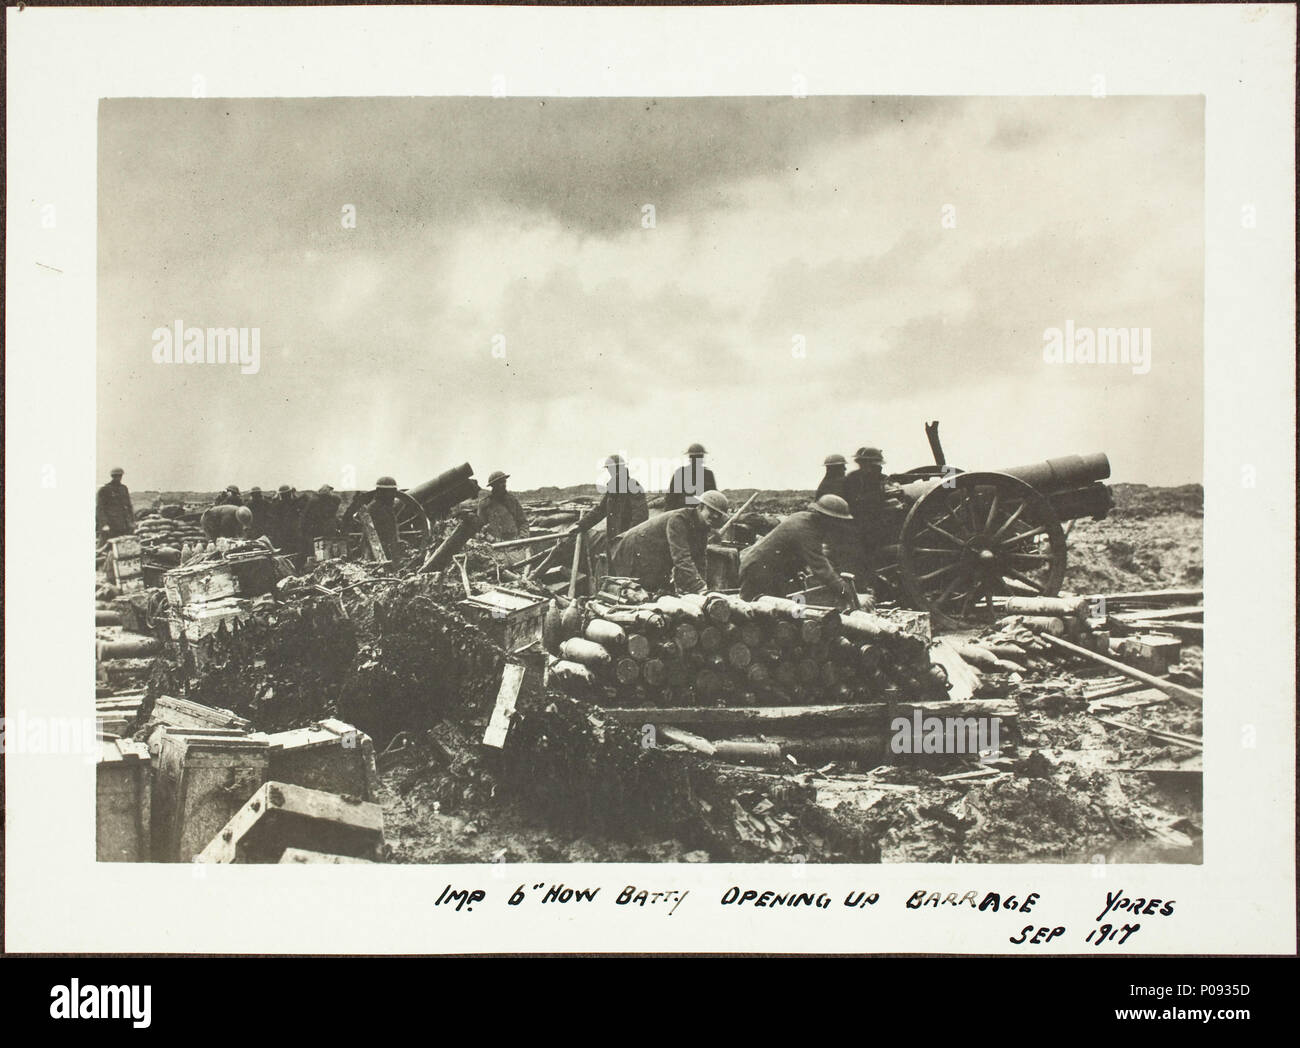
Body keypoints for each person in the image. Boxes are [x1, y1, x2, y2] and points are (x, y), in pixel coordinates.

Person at [738, 494, 858, 609]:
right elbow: (821, 568)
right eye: (836, 521)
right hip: (758, 572)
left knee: (781, 615)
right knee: (754, 615)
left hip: (770, 572)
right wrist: (848, 593)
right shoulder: (806, 530)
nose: (837, 526)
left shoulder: (804, 518)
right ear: (827, 518)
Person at [610, 490, 729, 595]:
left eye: (718, 514)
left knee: (663, 591)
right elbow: (681, 557)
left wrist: (702, 587)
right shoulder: (679, 519)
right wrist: (699, 587)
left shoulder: (703, 528)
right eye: (711, 510)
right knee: (641, 592)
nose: (714, 516)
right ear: (701, 507)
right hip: (634, 548)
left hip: (654, 554)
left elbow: (700, 560)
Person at [843, 447, 904, 570]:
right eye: (874, 465)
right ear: (863, 464)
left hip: (877, 519)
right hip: (864, 522)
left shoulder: (881, 478)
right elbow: (855, 502)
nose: (878, 468)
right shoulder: (852, 479)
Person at [575, 455, 649, 540]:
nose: (610, 472)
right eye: (609, 469)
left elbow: (640, 515)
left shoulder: (632, 485)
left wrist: (628, 536)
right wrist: (581, 525)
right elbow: (601, 510)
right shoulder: (612, 488)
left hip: (628, 540)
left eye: (612, 469)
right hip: (614, 540)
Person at [476, 470, 529, 540]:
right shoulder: (485, 504)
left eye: (504, 481)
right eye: (500, 482)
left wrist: (523, 537)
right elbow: (479, 528)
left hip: (515, 543)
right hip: (494, 545)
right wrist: (489, 538)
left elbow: (523, 522)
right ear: (493, 485)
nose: (504, 484)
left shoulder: (512, 500)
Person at [663, 442, 718, 510]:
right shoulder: (708, 474)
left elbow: (670, 499)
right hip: (693, 514)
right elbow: (670, 499)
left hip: (687, 513)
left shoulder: (680, 473)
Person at [361, 476, 400, 560]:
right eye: (391, 491)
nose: (394, 494)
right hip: (379, 550)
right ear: (383, 492)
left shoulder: (384, 507)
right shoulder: (376, 508)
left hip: (385, 548)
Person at [300, 484, 342, 554]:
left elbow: (306, 515)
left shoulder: (314, 501)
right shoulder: (330, 502)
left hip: (317, 530)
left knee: (319, 549)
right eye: (330, 491)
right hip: (326, 529)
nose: (332, 493)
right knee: (326, 549)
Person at [96, 468, 135, 538]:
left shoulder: (123, 488)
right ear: (112, 476)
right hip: (110, 524)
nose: (118, 478)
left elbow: (129, 506)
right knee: (105, 545)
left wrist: (132, 521)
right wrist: (104, 524)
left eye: (120, 476)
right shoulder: (104, 489)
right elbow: (100, 508)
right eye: (115, 476)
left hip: (123, 524)